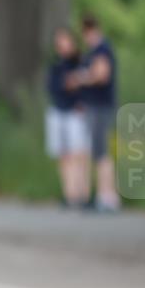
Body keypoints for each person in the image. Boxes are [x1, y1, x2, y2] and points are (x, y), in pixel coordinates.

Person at [73, 15, 120, 212]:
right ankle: (102, 195)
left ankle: (107, 198)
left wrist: (82, 78)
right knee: (98, 152)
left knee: (102, 153)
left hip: (101, 107)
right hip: (94, 106)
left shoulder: (102, 49)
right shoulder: (94, 51)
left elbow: (101, 74)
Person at [45, 27, 90, 208]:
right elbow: (54, 88)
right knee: (63, 155)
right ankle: (69, 194)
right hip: (58, 112)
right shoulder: (56, 66)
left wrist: (76, 88)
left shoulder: (82, 63)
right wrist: (68, 84)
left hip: (76, 113)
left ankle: (83, 194)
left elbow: (84, 87)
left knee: (79, 153)